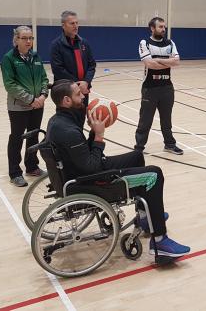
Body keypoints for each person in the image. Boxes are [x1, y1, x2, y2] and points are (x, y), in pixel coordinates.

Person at [46, 79, 190, 258]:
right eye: (78, 94)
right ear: (67, 101)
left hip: (80, 173)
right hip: (91, 181)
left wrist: (92, 132)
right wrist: (99, 136)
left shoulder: (58, 121)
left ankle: (145, 217)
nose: (83, 96)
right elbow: (91, 166)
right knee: (154, 174)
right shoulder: (68, 131)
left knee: (137, 156)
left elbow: (82, 156)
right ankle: (159, 241)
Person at [1, 26, 49, 187]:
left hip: (38, 105)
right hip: (18, 107)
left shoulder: (35, 57)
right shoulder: (9, 58)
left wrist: (42, 96)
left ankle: (32, 166)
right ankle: (15, 173)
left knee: (33, 136)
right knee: (17, 138)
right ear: (16, 40)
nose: (29, 41)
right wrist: (30, 100)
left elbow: (43, 78)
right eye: (25, 38)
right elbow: (10, 85)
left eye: (31, 38)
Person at [134, 17, 183, 155]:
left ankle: (169, 144)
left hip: (167, 88)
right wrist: (168, 61)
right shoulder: (145, 43)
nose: (163, 29)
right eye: (160, 27)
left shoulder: (170, 43)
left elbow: (177, 62)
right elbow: (149, 64)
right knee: (145, 120)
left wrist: (158, 60)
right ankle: (139, 148)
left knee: (166, 119)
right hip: (150, 88)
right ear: (152, 28)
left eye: (164, 27)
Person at [50, 10, 96, 128]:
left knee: (80, 122)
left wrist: (86, 82)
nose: (75, 26)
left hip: (83, 90)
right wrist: (77, 85)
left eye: (77, 23)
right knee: (66, 124)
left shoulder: (84, 43)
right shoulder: (56, 45)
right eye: (72, 23)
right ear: (63, 25)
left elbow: (91, 65)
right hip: (67, 92)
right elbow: (58, 69)